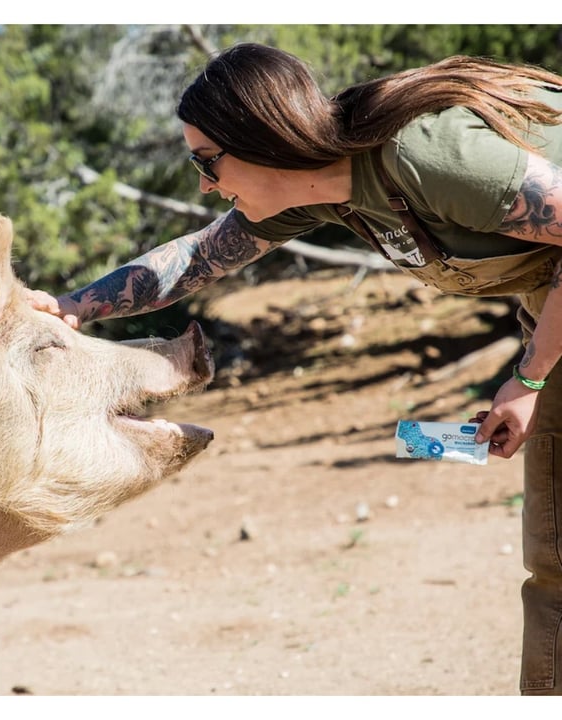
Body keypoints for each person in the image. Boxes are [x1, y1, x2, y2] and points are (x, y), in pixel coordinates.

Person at [30, 43, 562, 694]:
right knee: (554, 567)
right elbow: (196, 259)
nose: (204, 184)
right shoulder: (318, 194)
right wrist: (69, 308)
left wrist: (530, 377)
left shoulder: (422, 153)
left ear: (259, 138)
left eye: (207, 161)